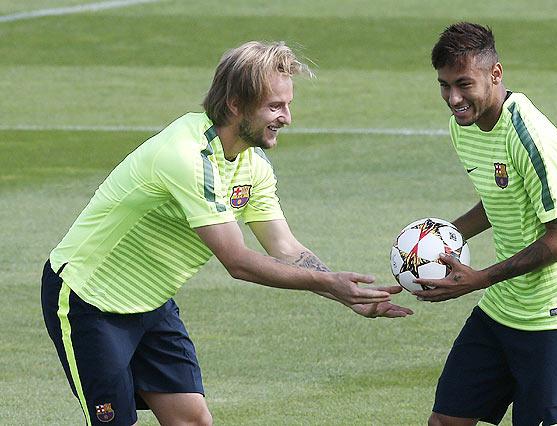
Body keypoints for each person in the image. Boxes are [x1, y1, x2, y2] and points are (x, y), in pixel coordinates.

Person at [41, 41, 413, 425]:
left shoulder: (252, 164)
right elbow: (238, 262)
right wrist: (330, 285)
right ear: (235, 104)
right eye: (274, 106)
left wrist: (346, 294)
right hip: (89, 300)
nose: (287, 118)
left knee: (193, 420)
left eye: (288, 105)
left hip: (151, 302)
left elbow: (284, 247)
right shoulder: (187, 156)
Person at [414, 23, 557, 425]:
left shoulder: (531, 136)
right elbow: (499, 197)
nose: (453, 99)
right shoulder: (463, 128)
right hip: (503, 311)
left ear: (495, 74)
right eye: (444, 85)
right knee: (446, 421)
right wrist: (434, 245)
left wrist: (480, 278)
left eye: (463, 84)